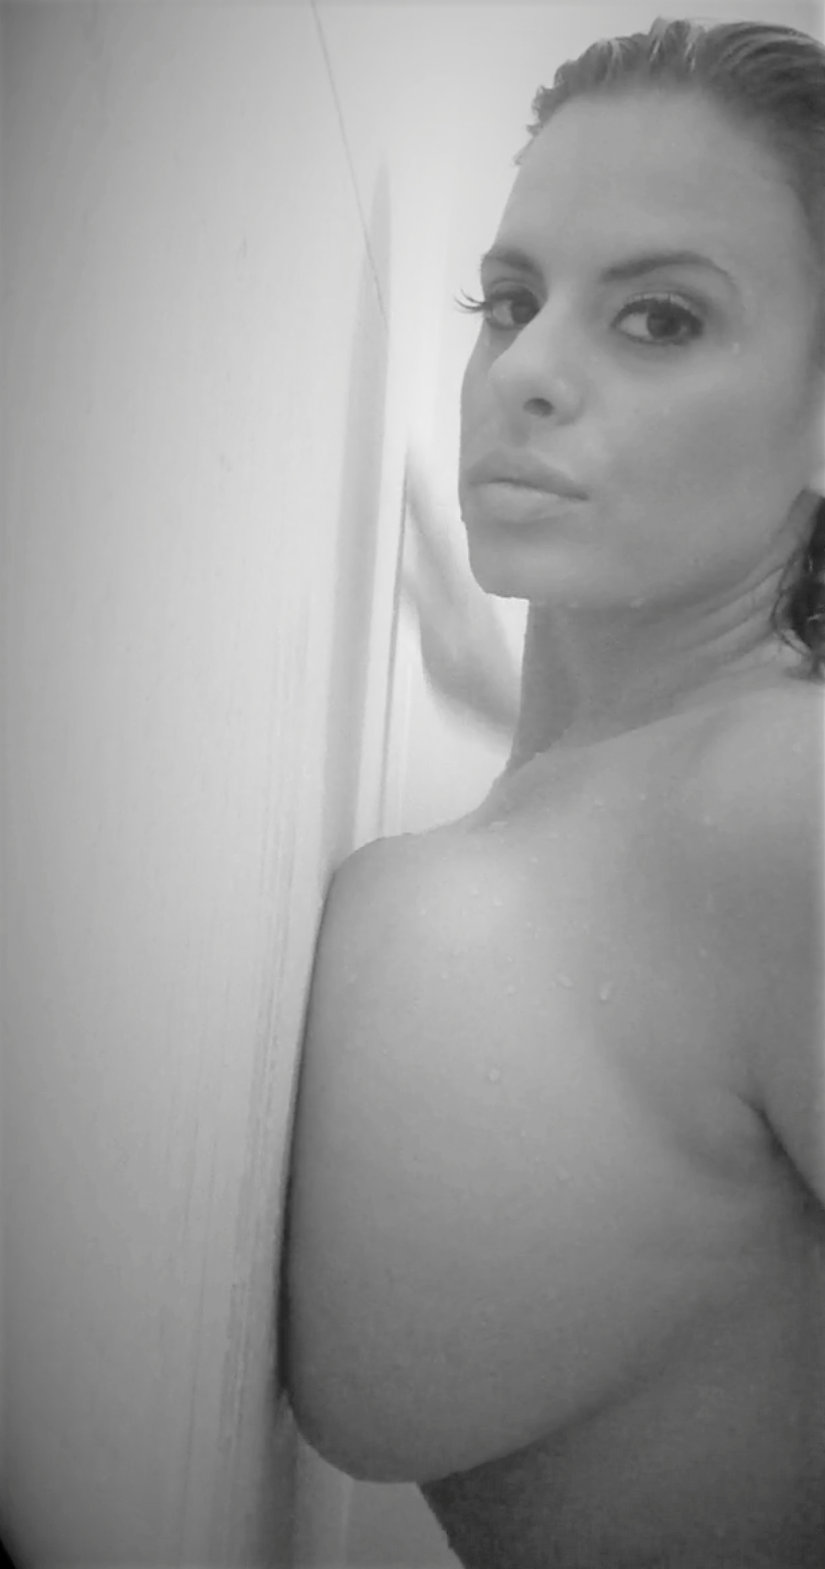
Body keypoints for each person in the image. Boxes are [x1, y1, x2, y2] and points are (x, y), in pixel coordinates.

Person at [282, 15, 825, 1567]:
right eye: (509, 302)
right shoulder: (649, 785)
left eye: (660, 317)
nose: (521, 373)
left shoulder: (791, 809)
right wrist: (495, 676)